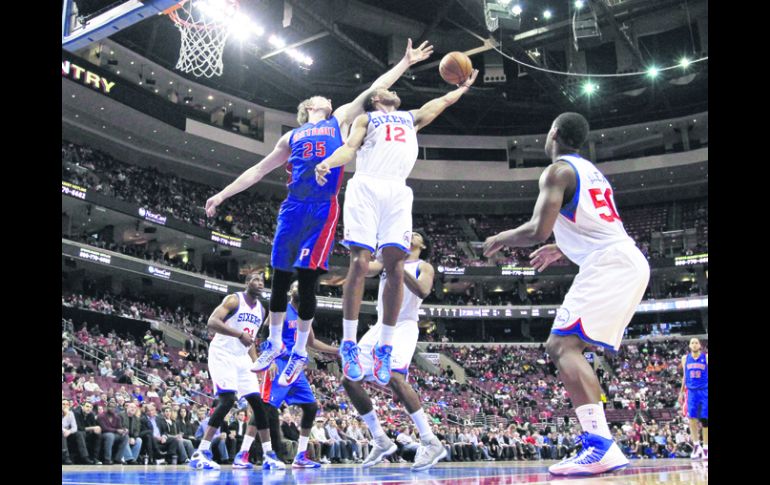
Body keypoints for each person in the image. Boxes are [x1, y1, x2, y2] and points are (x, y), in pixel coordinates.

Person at [204, 40, 434, 388]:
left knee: (307, 277)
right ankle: (276, 343)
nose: (327, 98)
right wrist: (221, 194)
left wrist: (404, 63)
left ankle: (299, 350)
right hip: (293, 205)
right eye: (321, 98)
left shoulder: (340, 120)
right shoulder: (291, 137)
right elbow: (258, 170)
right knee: (280, 277)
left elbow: (375, 89)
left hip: (323, 207)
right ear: (309, 106)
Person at [482, 112, 650, 476]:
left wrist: (501, 237)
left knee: (562, 346)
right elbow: (595, 222)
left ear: (553, 133)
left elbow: (537, 229)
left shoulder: (557, 171)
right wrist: (563, 247)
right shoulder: (589, 170)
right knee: (566, 346)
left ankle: (600, 444)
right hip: (621, 258)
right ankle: (599, 443)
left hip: (610, 263)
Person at [315, 70, 478, 386]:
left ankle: (385, 348)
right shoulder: (366, 120)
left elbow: (442, 101)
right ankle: (350, 344)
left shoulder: (410, 118)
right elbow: (349, 148)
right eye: (385, 90)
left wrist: (463, 88)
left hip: (398, 191)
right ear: (376, 97)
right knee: (361, 263)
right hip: (366, 185)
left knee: (394, 264)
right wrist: (327, 163)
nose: (392, 91)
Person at [339, 231, 447, 471]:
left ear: (423, 244)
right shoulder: (388, 258)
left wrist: (396, 266)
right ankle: (380, 439)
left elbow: (423, 290)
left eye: (418, 234)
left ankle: (430, 440)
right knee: (349, 379)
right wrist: (357, 251)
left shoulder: (424, 266)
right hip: (380, 325)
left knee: (396, 377)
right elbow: (367, 269)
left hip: (405, 325)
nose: (413, 234)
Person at [188, 272, 283, 471]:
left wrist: (258, 363)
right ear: (247, 283)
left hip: (243, 358)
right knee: (228, 399)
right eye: (256, 280)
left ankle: (268, 455)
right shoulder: (233, 299)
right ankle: (201, 452)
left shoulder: (261, 310)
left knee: (259, 405)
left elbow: (251, 342)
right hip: (223, 353)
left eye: (262, 281)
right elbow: (212, 322)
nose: (260, 283)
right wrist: (238, 334)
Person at [258, 281, 339, 468]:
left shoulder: (305, 315)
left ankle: (300, 456)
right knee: (268, 409)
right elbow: (264, 333)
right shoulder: (280, 309)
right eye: (297, 287)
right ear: (291, 291)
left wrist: (337, 350)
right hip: (279, 361)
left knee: (311, 407)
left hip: (296, 366)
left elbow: (312, 341)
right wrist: (268, 359)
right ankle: (270, 454)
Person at [679, 337, 708, 460]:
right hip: (691, 392)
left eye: (696, 342)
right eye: (692, 343)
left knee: (705, 420)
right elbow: (685, 376)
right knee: (692, 419)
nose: (694, 344)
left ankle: (706, 447)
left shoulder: (706, 357)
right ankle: (696, 446)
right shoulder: (685, 359)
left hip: (704, 391)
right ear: (690, 346)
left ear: (700, 345)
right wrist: (681, 392)